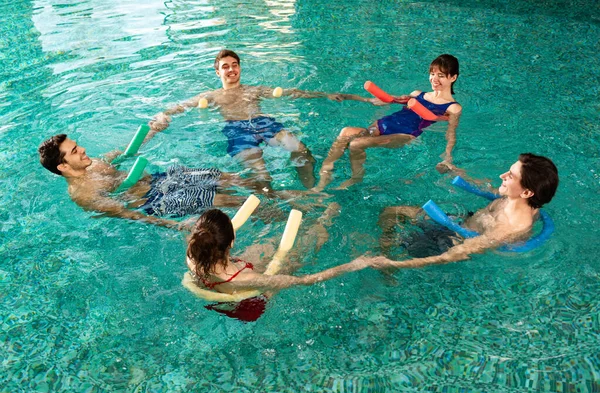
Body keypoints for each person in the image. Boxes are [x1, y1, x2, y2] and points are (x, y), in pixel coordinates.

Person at [149, 49, 375, 190]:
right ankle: (273, 205)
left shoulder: (254, 90)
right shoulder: (210, 96)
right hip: (236, 130)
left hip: (263, 123)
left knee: (301, 150)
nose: (231, 70)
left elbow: (292, 92)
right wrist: (162, 116)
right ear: (218, 72)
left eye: (234, 65)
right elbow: (177, 108)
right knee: (261, 175)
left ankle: (310, 190)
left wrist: (324, 95)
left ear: (240, 68)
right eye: (225, 67)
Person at [364, 154, 559, 270]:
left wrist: (391, 264)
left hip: (449, 242)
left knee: (394, 225)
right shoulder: (519, 199)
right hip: (460, 222)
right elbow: (486, 190)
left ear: (526, 192)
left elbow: (455, 255)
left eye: (510, 176)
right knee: (391, 212)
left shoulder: (509, 227)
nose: (502, 176)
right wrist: (455, 171)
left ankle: (387, 264)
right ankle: (385, 249)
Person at [181, 205, 370, 322]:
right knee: (292, 258)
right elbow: (307, 280)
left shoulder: (193, 252)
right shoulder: (247, 279)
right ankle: (323, 223)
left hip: (219, 284)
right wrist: (354, 264)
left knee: (267, 245)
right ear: (231, 243)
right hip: (248, 306)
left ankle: (319, 222)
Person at [38, 134, 260, 230]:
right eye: (75, 151)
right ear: (63, 167)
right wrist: (176, 226)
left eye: (78, 145)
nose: (83, 150)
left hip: (158, 180)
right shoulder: (83, 195)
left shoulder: (92, 162)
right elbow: (129, 214)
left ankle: (271, 192)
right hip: (154, 200)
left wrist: (153, 130)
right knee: (223, 199)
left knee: (219, 175)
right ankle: (270, 209)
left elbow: (126, 152)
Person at [313, 54, 463, 191]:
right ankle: (324, 177)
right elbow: (383, 100)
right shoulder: (417, 94)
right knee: (346, 132)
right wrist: (349, 96)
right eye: (432, 74)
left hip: (405, 134)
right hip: (383, 125)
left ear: (453, 78)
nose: (434, 79)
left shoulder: (453, 107)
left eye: (441, 76)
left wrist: (447, 157)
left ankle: (356, 178)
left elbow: (451, 133)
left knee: (356, 144)